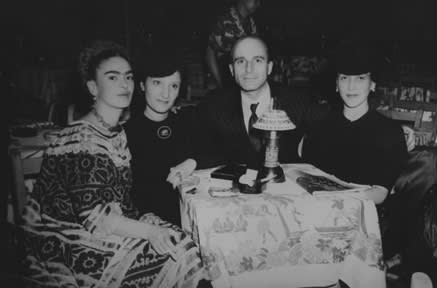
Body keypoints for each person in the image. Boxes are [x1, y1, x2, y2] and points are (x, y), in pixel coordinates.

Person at [18, 40, 207, 288]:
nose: (124, 84)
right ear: (93, 88)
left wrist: (150, 222)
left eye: (128, 77)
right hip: (69, 238)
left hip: (114, 224)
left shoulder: (115, 132)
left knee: (186, 245)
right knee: (173, 258)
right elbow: (97, 218)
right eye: (113, 77)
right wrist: (151, 231)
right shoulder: (80, 139)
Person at [167, 35, 330, 187]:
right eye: (240, 61)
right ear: (231, 70)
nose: (248, 69)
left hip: (286, 197)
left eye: (257, 60)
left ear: (269, 67)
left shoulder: (296, 100)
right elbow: (200, 140)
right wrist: (192, 162)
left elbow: (332, 124)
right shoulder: (216, 103)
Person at [302, 40, 409, 206]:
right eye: (344, 78)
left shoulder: (389, 131)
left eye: (360, 78)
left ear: (372, 84)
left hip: (366, 215)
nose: (351, 86)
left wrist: (341, 200)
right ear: (336, 85)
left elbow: (380, 193)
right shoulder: (320, 128)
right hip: (320, 211)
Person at [125, 51, 197, 226]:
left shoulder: (185, 122)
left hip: (188, 218)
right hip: (148, 223)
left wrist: (193, 161)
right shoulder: (128, 132)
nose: (165, 94)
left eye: (173, 86)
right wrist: (143, 213)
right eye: (157, 83)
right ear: (142, 85)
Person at [206, 0, 260, 88]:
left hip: (243, 81)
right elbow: (210, 53)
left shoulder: (251, 23)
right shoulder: (224, 19)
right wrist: (220, 83)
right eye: (256, 0)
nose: (258, 4)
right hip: (225, 80)